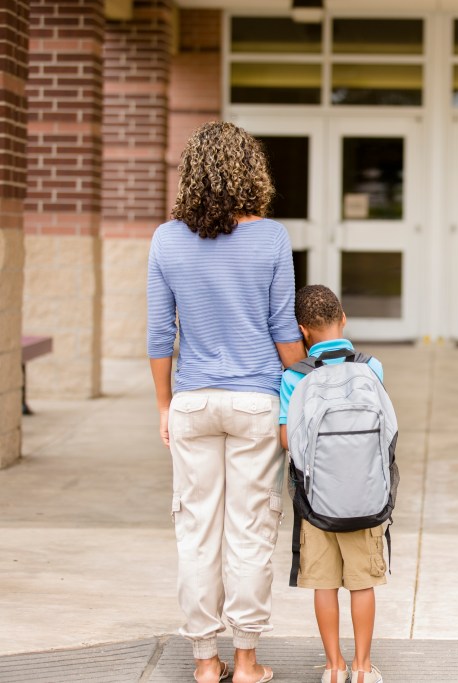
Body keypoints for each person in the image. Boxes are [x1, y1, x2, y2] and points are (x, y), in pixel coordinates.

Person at [147, 122, 306, 683]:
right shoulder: (272, 238)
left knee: (196, 532)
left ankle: (204, 661)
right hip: (255, 403)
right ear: (250, 171)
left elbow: (158, 335)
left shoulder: (166, 239)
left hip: (192, 403)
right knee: (250, 530)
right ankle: (245, 661)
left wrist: (166, 406)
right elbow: (285, 334)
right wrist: (316, 364)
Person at [279, 285, 387, 683]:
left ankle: (333, 666)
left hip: (317, 501)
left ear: (303, 330)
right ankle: (362, 667)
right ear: (343, 318)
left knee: (324, 584)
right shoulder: (370, 367)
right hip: (365, 496)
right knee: (362, 583)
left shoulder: (294, 376)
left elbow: (288, 440)